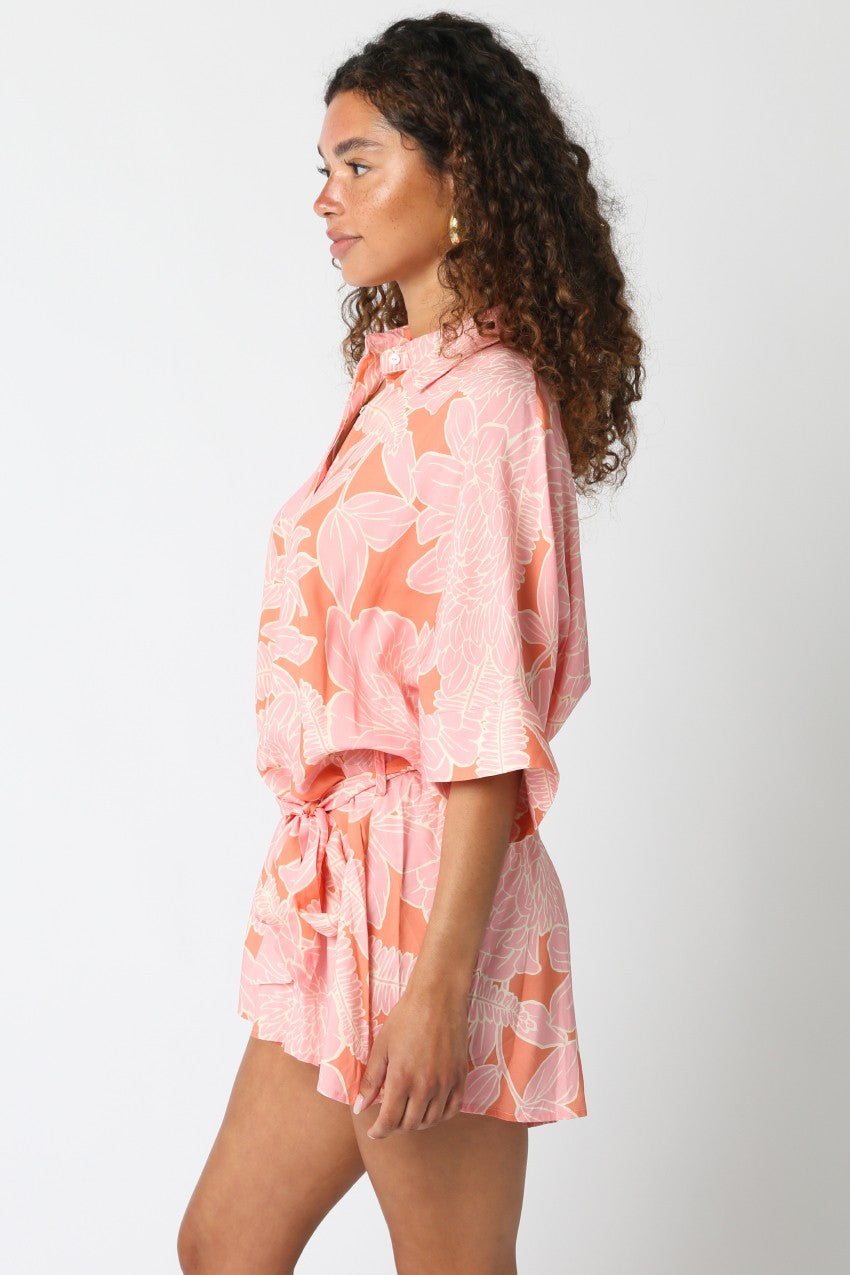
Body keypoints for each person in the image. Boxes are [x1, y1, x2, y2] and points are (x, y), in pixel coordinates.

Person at [178, 12, 643, 1274]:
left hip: (436, 894)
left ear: (461, 181)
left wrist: (439, 988)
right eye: (324, 168)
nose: (325, 198)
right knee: (224, 1246)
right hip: (343, 887)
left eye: (359, 163)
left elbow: (485, 718)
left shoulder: (487, 405)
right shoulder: (401, 378)